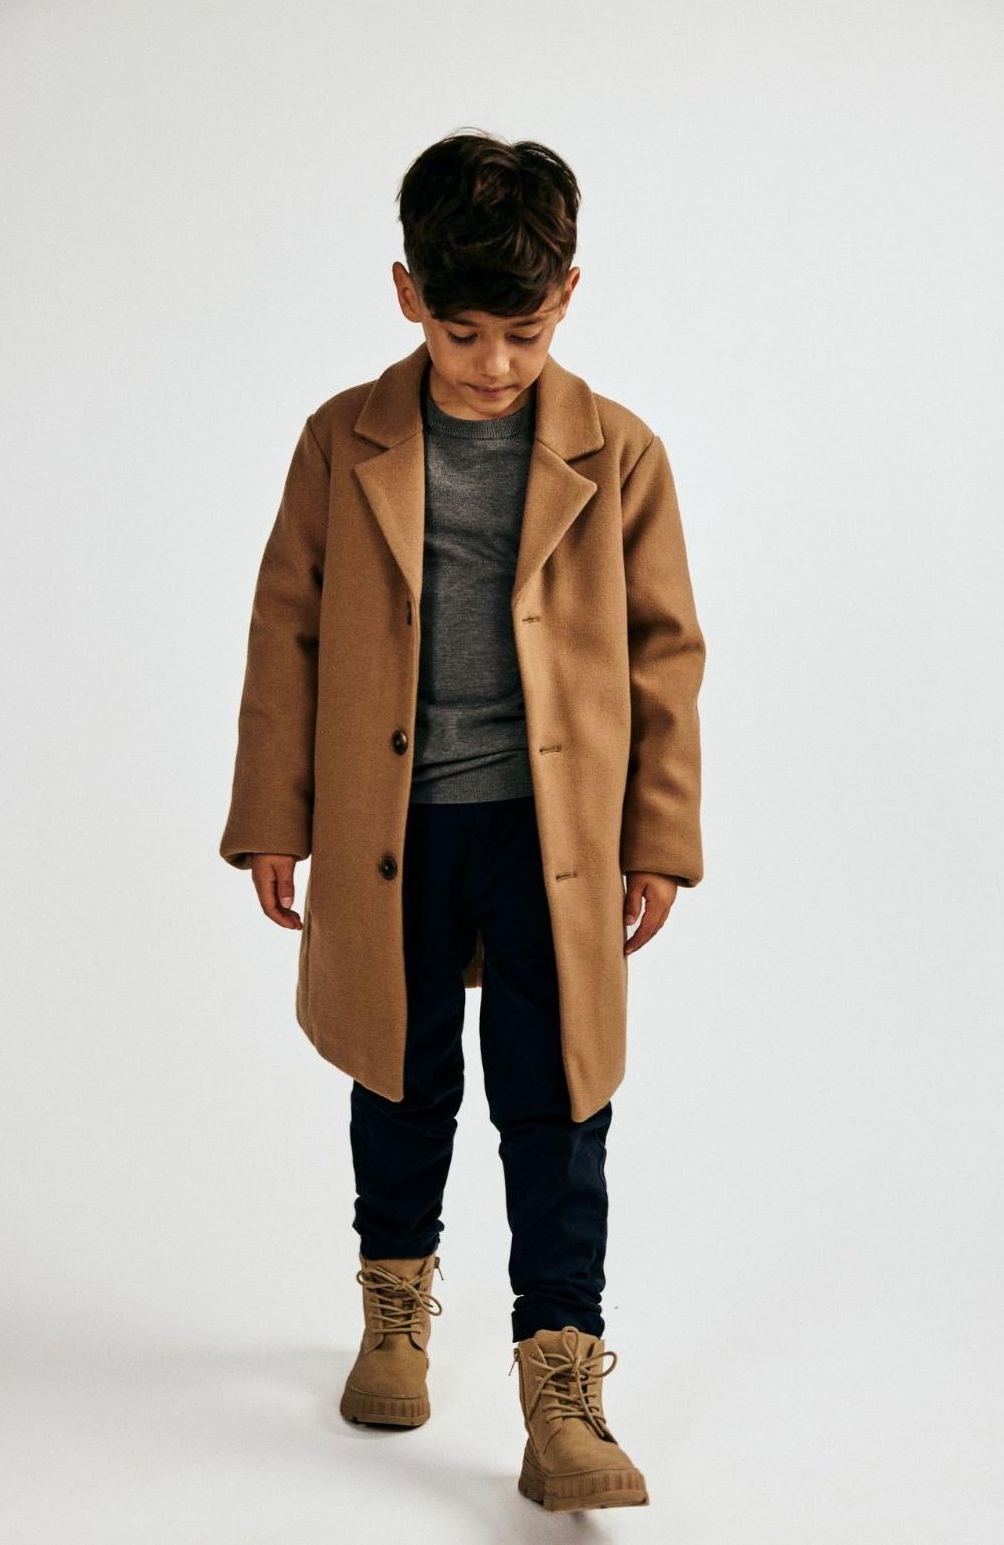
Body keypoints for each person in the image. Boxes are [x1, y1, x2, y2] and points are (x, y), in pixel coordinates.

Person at [219, 128, 705, 1513]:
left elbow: (668, 651)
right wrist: (276, 814)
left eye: (524, 332)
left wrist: (658, 836)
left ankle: (563, 1386)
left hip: (558, 837)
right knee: (399, 1069)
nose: (493, 362)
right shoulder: (343, 440)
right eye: (462, 329)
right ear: (404, 294)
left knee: (557, 1103)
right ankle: (393, 1304)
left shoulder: (622, 455)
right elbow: (287, 635)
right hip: (396, 825)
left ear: (569, 300)